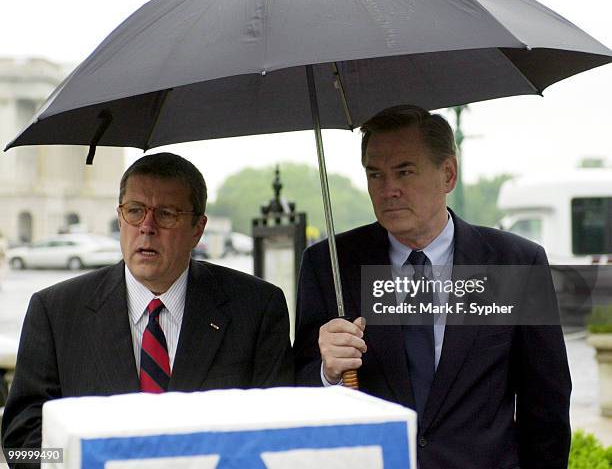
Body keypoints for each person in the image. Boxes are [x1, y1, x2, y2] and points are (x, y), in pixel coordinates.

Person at [294, 106, 571, 469]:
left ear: (449, 175)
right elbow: (296, 387)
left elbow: (546, 403)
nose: (388, 189)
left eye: (404, 171)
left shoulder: (515, 262)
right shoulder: (329, 264)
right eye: (375, 174)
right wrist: (326, 373)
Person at [2, 153, 293, 458]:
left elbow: (278, 432)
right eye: (135, 211)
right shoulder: (55, 311)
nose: (147, 227)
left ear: (198, 228)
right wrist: (86, 462)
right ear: (119, 217)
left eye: (166, 214)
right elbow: (21, 445)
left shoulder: (256, 308)